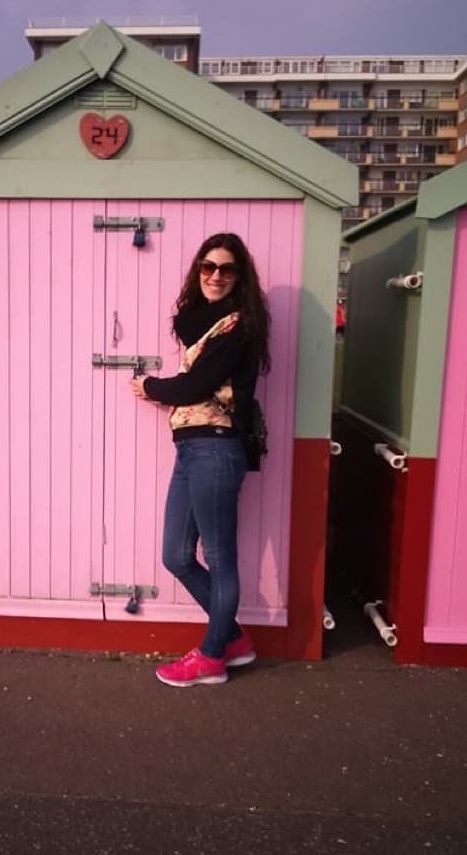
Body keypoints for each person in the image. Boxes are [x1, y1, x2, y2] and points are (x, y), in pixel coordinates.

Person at [130, 232, 271, 687]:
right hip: (190, 449)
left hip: (216, 447)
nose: (215, 276)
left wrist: (151, 387)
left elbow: (194, 386)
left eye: (226, 269)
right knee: (176, 555)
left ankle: (212, 657)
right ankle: (231, 638)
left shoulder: (238, 326)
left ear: (239, 277)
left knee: (219, 557)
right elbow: (192, 366)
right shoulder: (205, 326)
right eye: (207, 267)